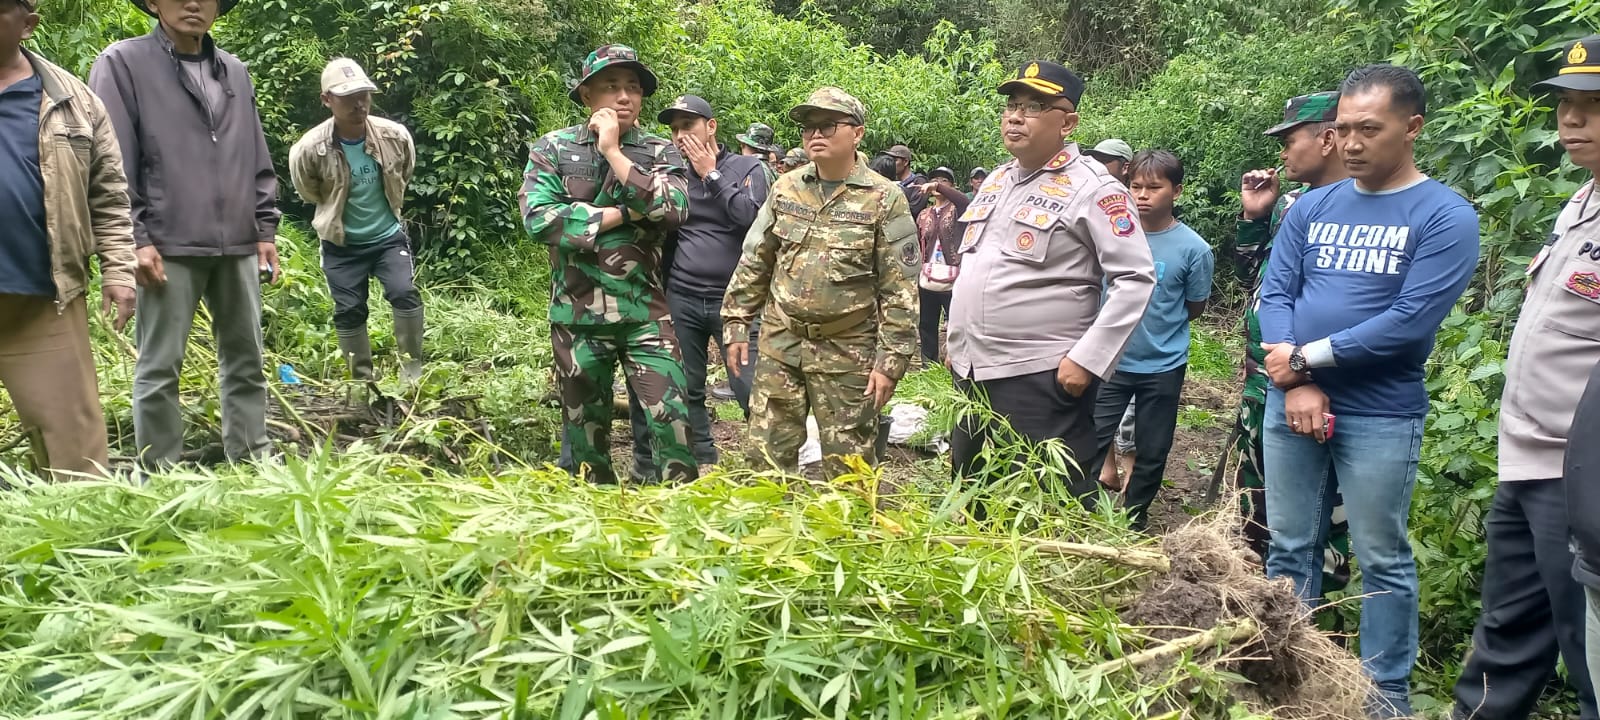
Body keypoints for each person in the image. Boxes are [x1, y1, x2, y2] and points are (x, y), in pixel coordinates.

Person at [1256, 64, 1480, 718]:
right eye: (1343, 129)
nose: (1351, 143)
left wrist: (1303, 360)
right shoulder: (1314, 206)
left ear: (1411, 128)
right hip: (1289, 400)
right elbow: (1278, 291)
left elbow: (1408, 321)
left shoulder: (1444, 214)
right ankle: (1286, 681)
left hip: (1381, 411)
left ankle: (1386, 700)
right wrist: (1295, 377)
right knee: (1289, 546)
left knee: (1382, 558)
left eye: (1368, 130)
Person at [1453, 38, 1600, 720]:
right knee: (1508, 633)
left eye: (1594, 107)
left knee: (1588, 645)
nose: (1572, 122)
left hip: (1581, 478)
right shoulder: (1581, 202)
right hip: (1528, 461)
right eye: (1567, 105)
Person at [946, 60, 1155, 497]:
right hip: (972, 372)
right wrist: (956, 341)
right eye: (1012, 105)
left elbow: (1134, 278)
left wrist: (1087, 359)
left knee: (1039, 504)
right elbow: (977, 266)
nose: (1016, 116)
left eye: (1035, 106)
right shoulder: (998, 180)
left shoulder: (1095, 188)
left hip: (1039, 374)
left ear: (1069, 122)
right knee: (972, 499)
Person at [90, 0, 282, 468]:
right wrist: (134, 237)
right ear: (153, 3)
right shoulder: (123, 63)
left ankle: (253, 462)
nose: (193, 3)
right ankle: (161, 475)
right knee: (159, 367)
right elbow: (110, 159)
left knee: (247, 361)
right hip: (166, 242)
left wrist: (264, 226)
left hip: (236, 241)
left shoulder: (233, 70)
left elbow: (255, 154)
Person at [519, 44, 697, 484]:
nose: (624, 97)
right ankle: (595, 527)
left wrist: (615, 153)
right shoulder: (554, 149)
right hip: (577, 316)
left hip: (646, 316)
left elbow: (674, 210)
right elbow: (539, 220)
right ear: (586, 96)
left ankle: (684, 520)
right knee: (585, 444)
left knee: (673, 425)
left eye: (633, 88)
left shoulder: (660, 150)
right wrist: (625, 213)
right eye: (611, 87)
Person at [721, 87, 919, 475]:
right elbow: (756, 259)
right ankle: (768, 531)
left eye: (827, 125)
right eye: (808, 127)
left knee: (850, 469)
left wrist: (890, 362)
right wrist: (735, 321)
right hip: (782, 341)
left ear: (857, 133)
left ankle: (845, 535)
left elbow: (900, 290)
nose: (815, 134)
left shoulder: (884, 197)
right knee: (764, 459)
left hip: (847, 349)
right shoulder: (786, 187)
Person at [0, 0, 136, 480]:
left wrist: (119, 271)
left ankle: (79, 547)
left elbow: (110, 195)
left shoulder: (74, 100)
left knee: (76, 454)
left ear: (27, 24)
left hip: (41, 300)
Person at [1233, 91, 1351, 591]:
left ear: (1327, 139)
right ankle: (1261, 602)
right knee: (1258, 504)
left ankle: (1318, 626)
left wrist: (1302, 370)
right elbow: (1253, 280)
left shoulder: (1359, 209)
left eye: (1290, 139)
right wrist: (1255, 217)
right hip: (1263, 383)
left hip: (1316, 386)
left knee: (1321, 516)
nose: (1282, 152)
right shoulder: (1291, 205)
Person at [1088, 149, 1214, 530]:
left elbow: (1194, 306)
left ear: (1176, 191)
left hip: (1163, 364)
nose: (1142, 195)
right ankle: (1085, 509)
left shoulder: (1194, 249)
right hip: (1110, 359)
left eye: (1154, 188)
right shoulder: (1111, 236)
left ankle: (1133, 518)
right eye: (1136, 186)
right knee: (1091, 436)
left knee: (1154, 446)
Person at [650, 94, 771, 465]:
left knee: (747, 384)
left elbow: (753, 220)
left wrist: (710, 174)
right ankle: (703, 459)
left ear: (711, 126)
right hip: (683, 295)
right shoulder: (674, 175)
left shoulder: (748, 169)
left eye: (688, 126)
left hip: (736, 301)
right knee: (688, 385)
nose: (680, 136)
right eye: (674, 130)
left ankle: (767, 460)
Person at [288, 58, 423, 385]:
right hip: (341, 244)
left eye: (363, 94)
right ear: (327, 100)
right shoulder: (309, 148)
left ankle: (412, 375)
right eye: (347, 97)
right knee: (349, 311)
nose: (358, 103)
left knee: (404, 292)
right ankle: (362, 382)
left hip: (387, 237)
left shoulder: (394, 135)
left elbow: (404, 172)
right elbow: (309, 191)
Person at [912, 166, 970, 363]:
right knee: (927, 323)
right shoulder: (924, 214)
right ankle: (928, 365)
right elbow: (921, 242)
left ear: (952, 186)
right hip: (928, 274)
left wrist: (937, 186)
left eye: (944, 180)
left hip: (955, 275)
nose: (938, 183)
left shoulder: (958, 210)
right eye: (935, 179)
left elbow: (963, 200)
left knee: (956, 323)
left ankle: (957, 364)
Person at [884, 144, 929, 218]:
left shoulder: (918, 181)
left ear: (905, 162)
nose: (890, 164)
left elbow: (915, 209)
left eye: (895, 160)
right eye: (889, 160)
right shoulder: (889, 181)